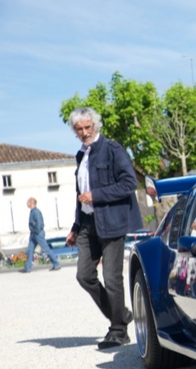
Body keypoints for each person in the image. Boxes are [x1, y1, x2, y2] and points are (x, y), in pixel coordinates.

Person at [65, 107, 144, 348]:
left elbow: (130, 183)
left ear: (96, 126)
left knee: (111, 278)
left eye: (88, 127)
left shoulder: (112, 149)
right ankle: (121, 315)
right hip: (88, 224)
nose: (84, 132)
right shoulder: (81, 155)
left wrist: (96, 196)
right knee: (84, 275)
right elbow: (81, 195)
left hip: (111, 221)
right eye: (79, 129)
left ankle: (118, 331)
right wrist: (75, 227)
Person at [20, 197, 61, 272]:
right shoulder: (32, 211)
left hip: (37, 234)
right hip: (33, 234)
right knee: (29, 250)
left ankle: (56, 264)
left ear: (31, 202)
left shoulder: (36, 212)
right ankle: (28, 267)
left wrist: (36, 231)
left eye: (27, 202)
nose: (26, 203)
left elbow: (39, 223)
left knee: (46, 249)